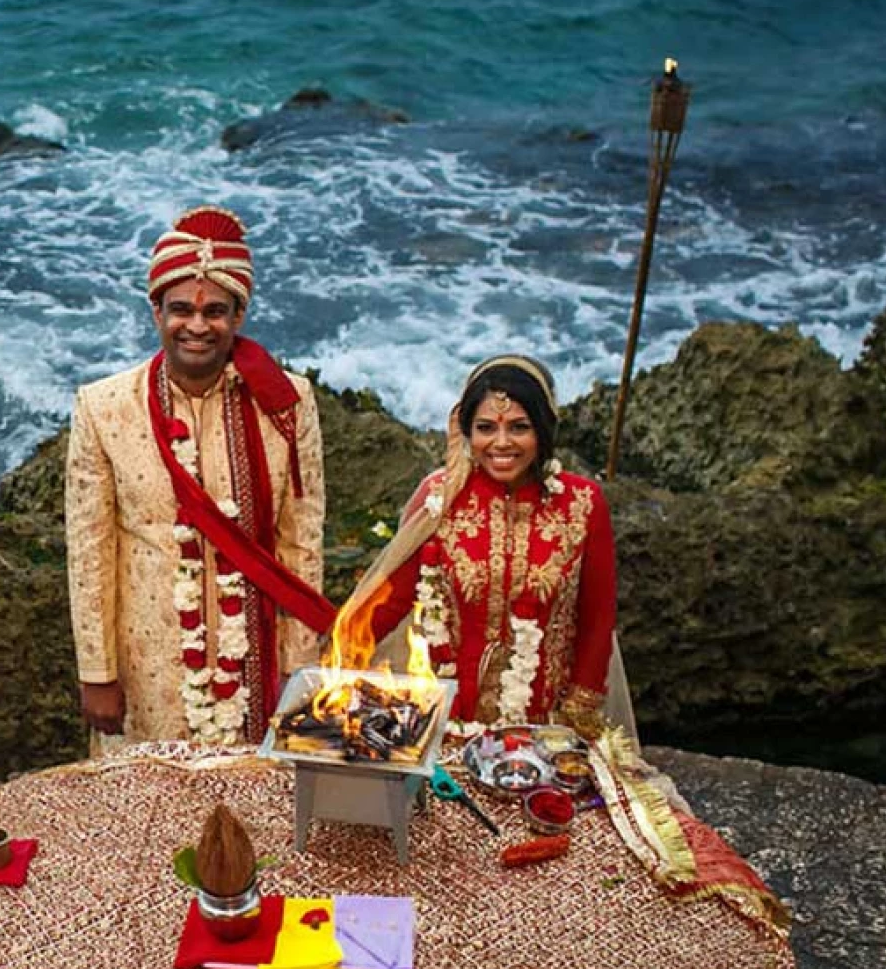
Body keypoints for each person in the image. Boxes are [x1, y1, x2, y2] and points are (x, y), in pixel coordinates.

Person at [65, 206, 332, 748]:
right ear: (156, 311)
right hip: (150, 659)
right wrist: (97, 672)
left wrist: (300, 664)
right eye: (180, 309)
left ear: (238, 315)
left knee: (255, 802)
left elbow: (301, 537)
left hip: (256, 647)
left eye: (215, 311)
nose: (197, 325)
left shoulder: (286, 403)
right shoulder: (103, 408)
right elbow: (89, 551)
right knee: (151, 806)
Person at [332, 354, 622, 737]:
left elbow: (597, 618)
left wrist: (577, 716)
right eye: (486, 428)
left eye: (519, 427)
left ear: (544, 431)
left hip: (548, 724)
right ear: (468, 432)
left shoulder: (582, 504)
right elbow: (390, 599)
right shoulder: (440, 499)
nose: (502, 443)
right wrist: (333, 657)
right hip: (449, 719)